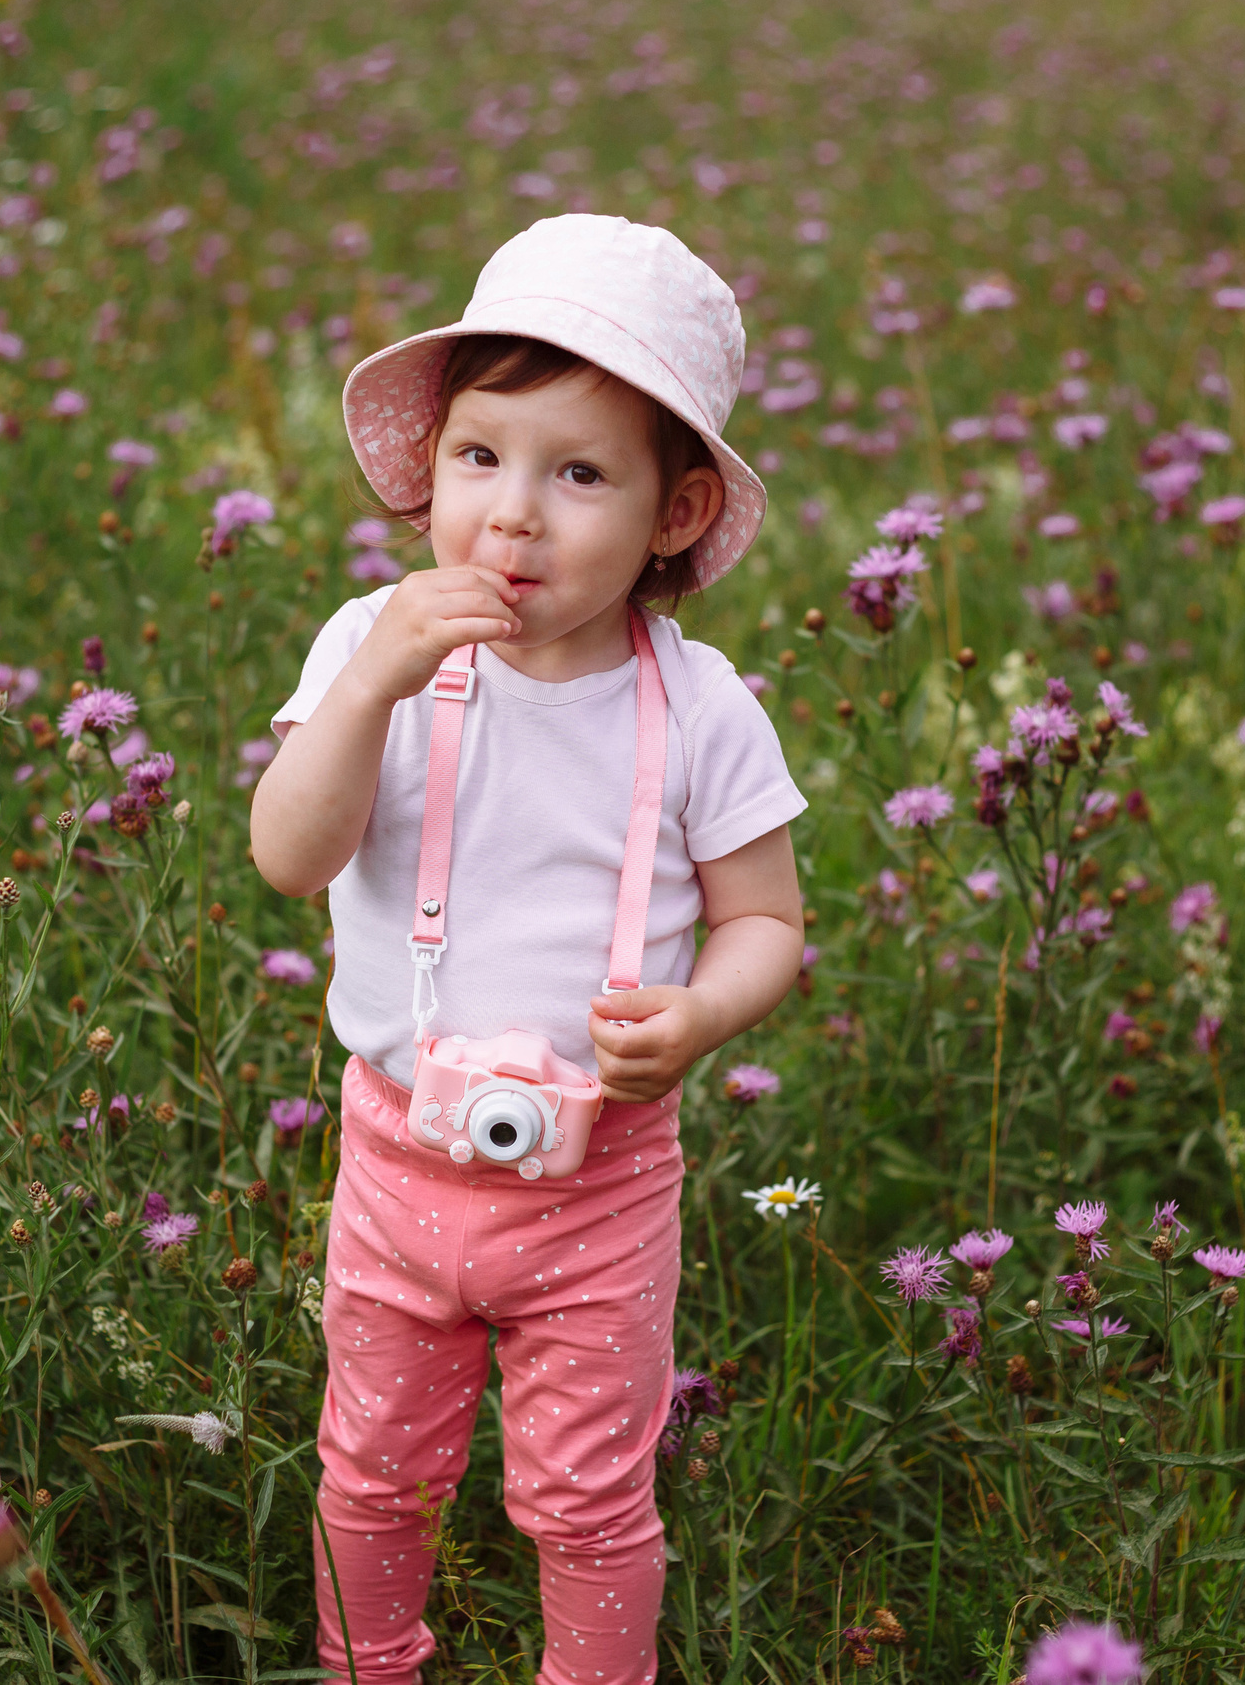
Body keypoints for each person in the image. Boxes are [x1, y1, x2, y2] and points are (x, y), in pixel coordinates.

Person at [251, 213, 808, 1685]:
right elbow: (288, 855)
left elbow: (768, 919)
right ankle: (370, 1670)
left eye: (578, 475)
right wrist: (372, 685)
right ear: (429, 465)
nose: (514, 516)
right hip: (394, 1159)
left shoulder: (699, 707)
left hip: (601, 1182)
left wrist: (700, 1013)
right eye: (480, 458)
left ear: (674, 514)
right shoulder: (371, 647)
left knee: (587, 1493)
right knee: (373, 1470)